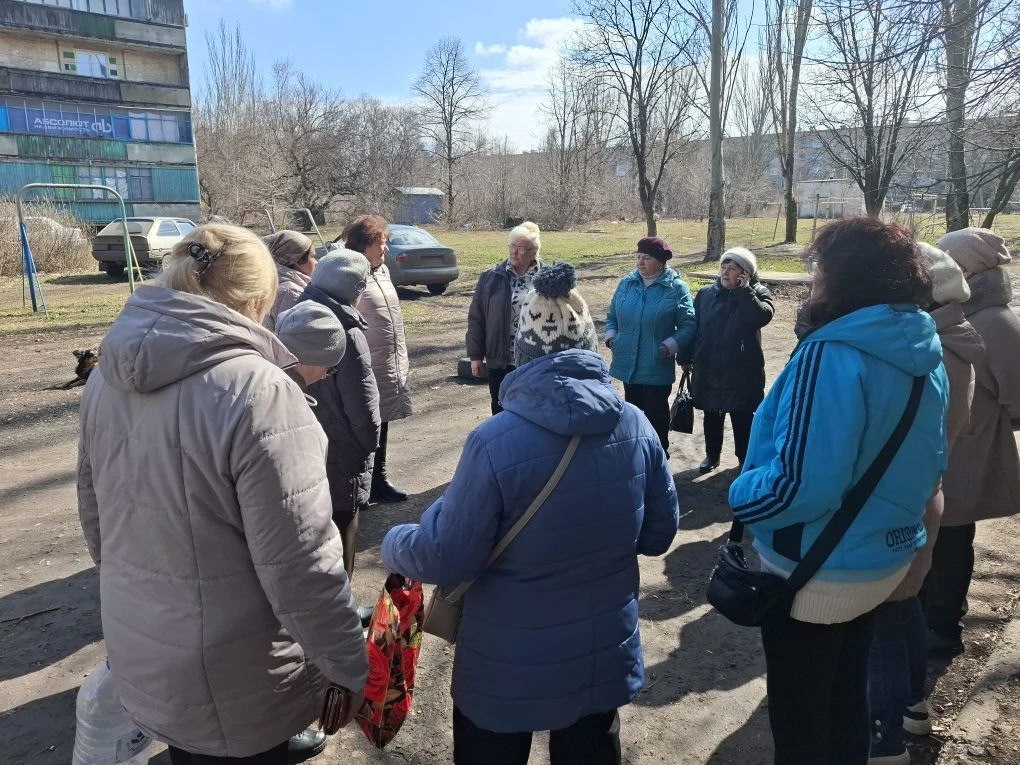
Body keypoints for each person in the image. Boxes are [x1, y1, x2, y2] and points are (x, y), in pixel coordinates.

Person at [77, 224, 367, 764]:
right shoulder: (261, 393)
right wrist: (346, 664)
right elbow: (301, 563)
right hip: (238, 675)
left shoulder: (104, 379)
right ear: (260, 299)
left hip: (142, 644)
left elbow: (96, 520)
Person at [382, 263, 680, 765]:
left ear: (522, 351)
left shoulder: (494, 441)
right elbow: (658, 534)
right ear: (588, 344)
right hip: (599, 652)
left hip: (506, 662)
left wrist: (396, 541)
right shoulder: (636, 425)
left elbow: (448, 556)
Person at [728, 218, 949, 765]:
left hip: (815, 572)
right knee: (847, 701)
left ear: (846, 277)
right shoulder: (924, 347)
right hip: (883, 560)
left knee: (802, 726)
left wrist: (740, 495)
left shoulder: (830, 354)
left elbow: (799, 486)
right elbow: (932, 462)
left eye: (819, 268)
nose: (812, 280)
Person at [867, 243, 984, 764]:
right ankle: (912, 704)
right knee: (905, 606)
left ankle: (883, 734)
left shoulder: (931, 351)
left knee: (887, 617)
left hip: (903, 498)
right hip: (924, 492)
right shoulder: (955, 341)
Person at [923, 228, 1020, 657]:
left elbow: (1016, 398)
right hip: (944, 451)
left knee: (950, 541)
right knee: (937, 541)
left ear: (970, 270)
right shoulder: (958, 313)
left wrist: (977, 424)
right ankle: (939, 613)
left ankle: (943, 629)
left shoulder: (997, 323)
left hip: (966, 452)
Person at [299, 249, 380, 579]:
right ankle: (342, 611)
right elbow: (362, 404)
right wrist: (369, 445)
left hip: (308, 443)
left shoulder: (297, 313)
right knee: (343, 527)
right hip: (343, 448)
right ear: (355, 290)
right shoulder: (346, 331)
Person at [679, 246, 774, 474]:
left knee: (742, 417)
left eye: (732, 268)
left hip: (742, 370)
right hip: (708, 365)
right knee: (712, 414)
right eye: (724, 266)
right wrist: (684, 356)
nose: (725, 271)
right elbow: (693, 328)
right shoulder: (706, 294)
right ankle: (712, 455)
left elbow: (761, 317)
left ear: (746, 273)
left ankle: (744, 459)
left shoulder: (759, 293)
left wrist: (744, 292)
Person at [341, 215, 412, 503]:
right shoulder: (348, 273)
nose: (385, 250)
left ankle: (377, 480)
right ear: (364, 245)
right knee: (361, 423)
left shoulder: (382, 271)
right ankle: (358, 485)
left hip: (389, 359)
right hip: (364, 361)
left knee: (381, 421)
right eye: (380, 244)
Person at [604, 236, 696, 453]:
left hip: (655, 362)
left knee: (656, 414)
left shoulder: (675, 288)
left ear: (661, 262)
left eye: (646, 258)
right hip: (627, 361)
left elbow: (688, 325)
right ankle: (636, 453)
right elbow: (612, 316)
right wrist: (611, 337)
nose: (640, 262)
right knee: (632, 412)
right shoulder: (626, 284)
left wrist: (669, 346)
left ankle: (659, 453)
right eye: (638, 257)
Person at [467, 221, 543, 415]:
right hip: (500, 360)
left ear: (533, 251)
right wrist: (476, 356)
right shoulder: (490, 277)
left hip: (535, 361)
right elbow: (477, 318)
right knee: (500, 411)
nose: (514, 252)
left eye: (520, 248)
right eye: (512, 246)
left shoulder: (546, 279)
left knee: (532, 412)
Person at [274, 301, 347, 389]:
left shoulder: (262, 373)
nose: (323, 376)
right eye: (328, 369)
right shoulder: (283, 396)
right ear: (303, 358)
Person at [262, 230, 317, 329]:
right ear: (297, 260)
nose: (316, 262)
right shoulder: (290, 292)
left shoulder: (278, 282)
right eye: (312, 257)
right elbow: (298, 333)